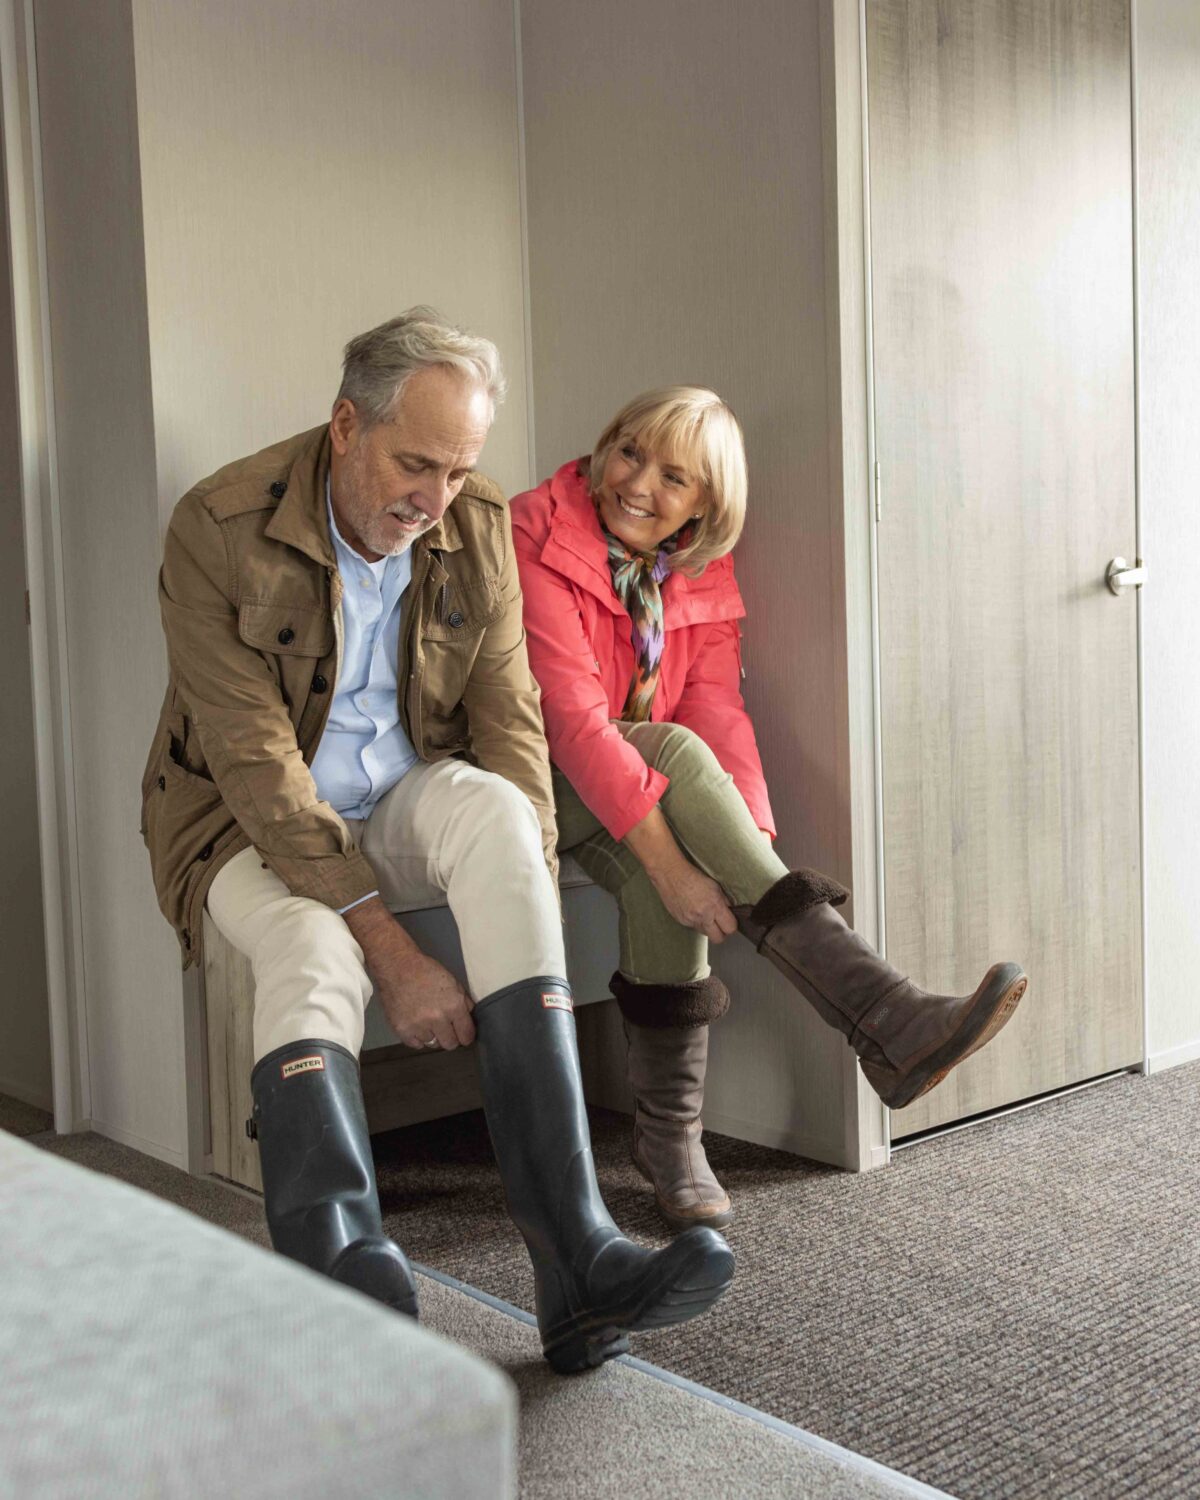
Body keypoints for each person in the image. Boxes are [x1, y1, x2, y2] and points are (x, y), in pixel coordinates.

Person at [140, 315, 733, 1373]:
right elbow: (252, 762)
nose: (435, 498)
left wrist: (524, 881)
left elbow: (509, 722)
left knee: (501, 810)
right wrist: (397, 954)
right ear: (344, 425)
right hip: (242, 824)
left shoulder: (475, 524)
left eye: (457, 470)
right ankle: (343, 1275)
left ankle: (580, 1263)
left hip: (401, 792)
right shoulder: (216, 525)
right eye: (415, 463)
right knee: (311, 952)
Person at [510, 386, 1028, 1232]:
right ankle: (883, 1014)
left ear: (707, 503)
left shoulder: (699, 568)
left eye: (674, 476)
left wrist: (737, 844)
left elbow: (716, 709)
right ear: (604, 445)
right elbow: (571, 722)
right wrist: (680, 866)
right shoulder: (536, 530)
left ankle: (668, 1143)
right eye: (630, 452)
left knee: (669, 818)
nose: (639, 483)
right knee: (669, 765)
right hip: (533, 777)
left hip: (625, 789)